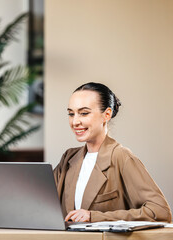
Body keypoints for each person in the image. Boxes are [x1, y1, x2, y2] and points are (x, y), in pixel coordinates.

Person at [54, 82, 172, 223]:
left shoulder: (121, 157)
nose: (75, 121)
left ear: (107, 114)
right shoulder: (68, 158)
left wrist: (95, 216)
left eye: (84, 113)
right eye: (71, 114)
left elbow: (160, 211)